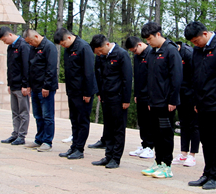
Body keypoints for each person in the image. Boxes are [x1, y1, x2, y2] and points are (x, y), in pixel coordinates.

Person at [184, 21, 216, 190]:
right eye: (192, 42)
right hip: (202, 103)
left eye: (196, 40)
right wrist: (196, 101)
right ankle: (207, 173)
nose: (195, 44)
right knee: (205, 140)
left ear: (205, 34)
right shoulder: (198, 50)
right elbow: (195, 77)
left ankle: (215, 176)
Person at [139, 22, 182, 179]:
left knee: (165, 134)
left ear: (158, 34)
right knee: (156, 133)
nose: (148, 42)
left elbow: (176, 78)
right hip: (153, 102)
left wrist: (173, 100)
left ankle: (167, 165)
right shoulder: (151, 53)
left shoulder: (171, 51)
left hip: (166, 103)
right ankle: (158, 162)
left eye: (150, 38)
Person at [53, 27, 97, 160]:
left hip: (83, 92)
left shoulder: (84, 47)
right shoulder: (68, 49)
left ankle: (80, 148)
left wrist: (88, 92)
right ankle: (74, 146)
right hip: (72, 91)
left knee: (82, 120)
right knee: (74, 120)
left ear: (69, 37)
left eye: (62, 43)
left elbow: (89, 72)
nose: (62, 46)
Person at [91, 35, 133, 168]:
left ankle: (116, 158)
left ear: (106, 45)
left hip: (118, 98)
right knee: (108, 128)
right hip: (106, 97)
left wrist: (126, 99)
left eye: (100, 51)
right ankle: (108, 155)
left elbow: (127, 78)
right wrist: (100, 93)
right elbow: (100, 75)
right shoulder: (103, 56)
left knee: (118, 129)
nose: (100, 54)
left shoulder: (121, 54)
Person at [24, 28, 58, 152]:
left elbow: (51, 68)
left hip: (45, 88)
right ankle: (39, 139)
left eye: (30, 41)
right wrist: (28, 84)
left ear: (36, 37)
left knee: (47, 115)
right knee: (38, 115)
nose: (30, 44)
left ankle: (47, 141)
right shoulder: (33, 49)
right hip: (35, 87)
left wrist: (47, 86)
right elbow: (30, 67)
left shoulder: (49, 47)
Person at [0, 26, 31, 146]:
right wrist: (9, 84)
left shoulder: (23, 46)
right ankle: (15, 133)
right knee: (15, 111)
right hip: (13, 85)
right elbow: (10, 68)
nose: (4, 42)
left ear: (10, 35)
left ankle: (22, 135)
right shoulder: (11, 48)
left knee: (23, 111)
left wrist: (26, 85)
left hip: (22, 86)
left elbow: (26, 67)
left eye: (4, 39)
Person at [125, 36, 154, 159]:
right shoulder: (137, 57)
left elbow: (153, 77)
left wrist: (151, 97)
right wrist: (136, 94)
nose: (134, 53)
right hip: (140, 94)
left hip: (150, 95)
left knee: (150, 122)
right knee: (142, 121)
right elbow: (136, 76)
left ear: (140, 44)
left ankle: (150, 147)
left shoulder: (151, 54)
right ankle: (144, 144)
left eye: (134, 50)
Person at [173, 41, 199, 168]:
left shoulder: (189, 54)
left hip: (191, 94)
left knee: (193, 124)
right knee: (183, 123)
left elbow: (196, 76)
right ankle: (183, 152)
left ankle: (192, 154)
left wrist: (196, 99)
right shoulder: (172, 54)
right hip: (180, 94)